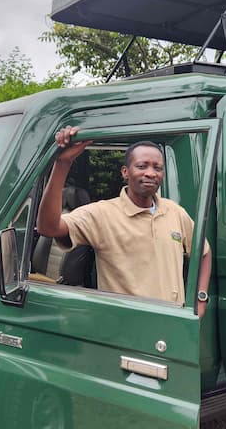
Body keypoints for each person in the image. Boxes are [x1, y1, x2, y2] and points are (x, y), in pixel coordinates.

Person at [37, 126, 212, 318]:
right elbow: (48, 227)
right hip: (123, 328)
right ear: (125, 172)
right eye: (142, 166)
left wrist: (200, 298)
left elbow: (204, 252)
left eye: (158, 168)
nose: (151, 173)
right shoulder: (102, 213)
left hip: (173, 325)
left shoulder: (175, 212)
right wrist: (62, 163)